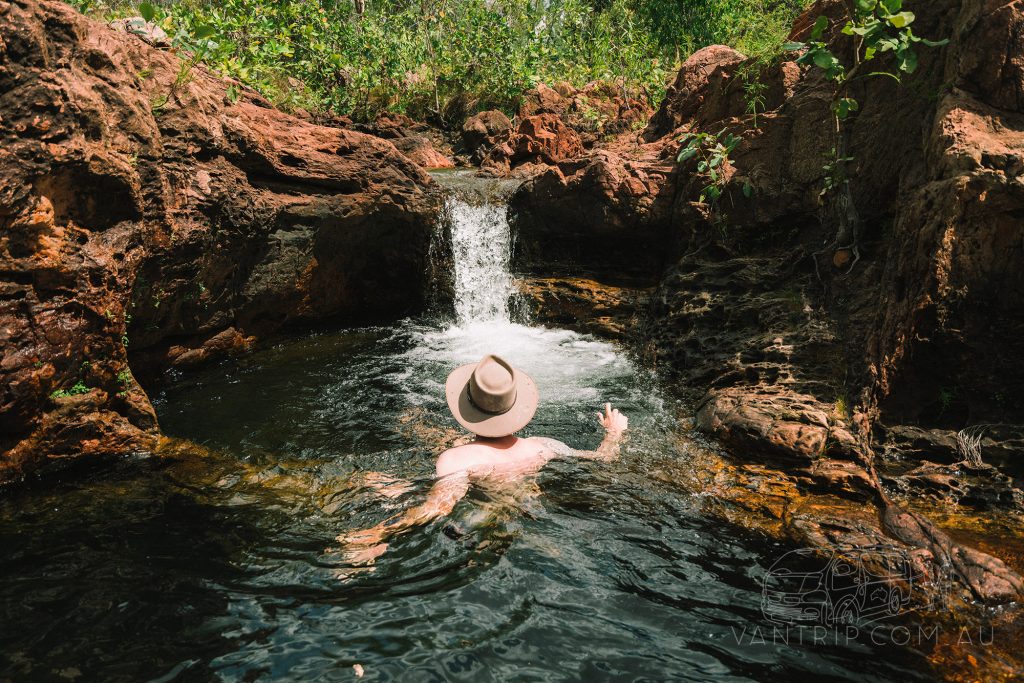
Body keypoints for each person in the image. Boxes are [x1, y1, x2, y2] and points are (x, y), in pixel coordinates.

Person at [339, 354, 628, 564]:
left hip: (479, 519)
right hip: (528, 510)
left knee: (372, 479)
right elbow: (602, 460)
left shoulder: (456, 459)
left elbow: (437, 509)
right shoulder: (543, 446)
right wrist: (613, 433)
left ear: (467, 409)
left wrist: (377, 534)